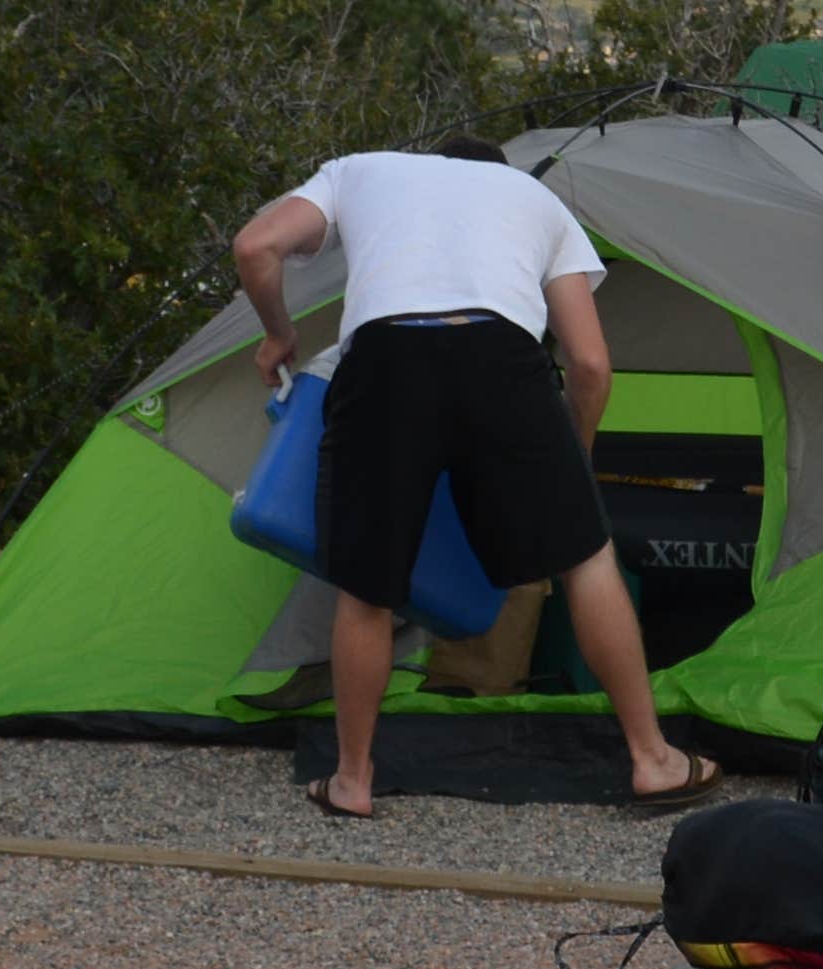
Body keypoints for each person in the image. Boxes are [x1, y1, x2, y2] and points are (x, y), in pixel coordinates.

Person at [228, 142, 709, 818]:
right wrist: (574, 460)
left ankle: (353, 781)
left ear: (429, 161)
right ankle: (654, 762)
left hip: (383, 364)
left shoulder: (358, 172)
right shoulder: (538, 202)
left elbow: (255, 248)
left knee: (366, 587)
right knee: (584, 559)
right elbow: (591, 364)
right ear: (498, 174)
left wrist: (278, 336)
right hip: (500, 360)